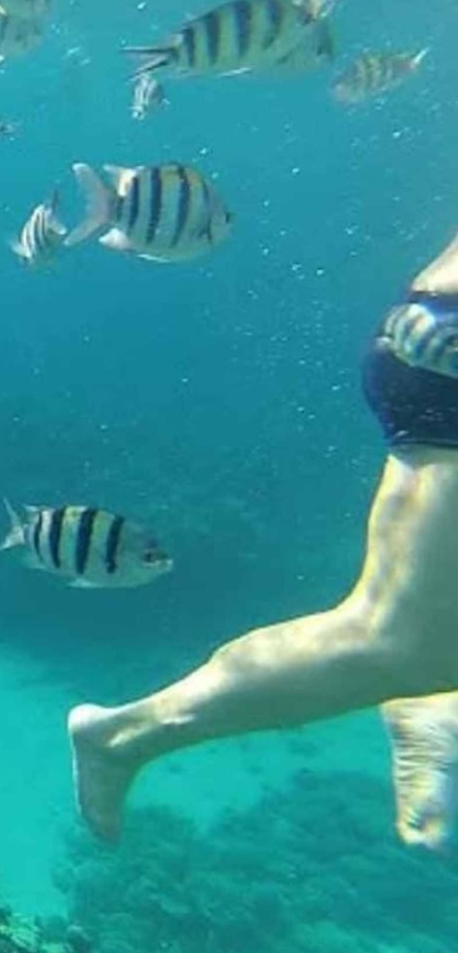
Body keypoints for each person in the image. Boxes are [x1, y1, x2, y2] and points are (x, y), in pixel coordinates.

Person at [68, 231, 458, 848]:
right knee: (394, 637)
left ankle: (436, 700)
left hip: (434, 331)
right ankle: (126, 736)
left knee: (418, 638)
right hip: (445, 351)